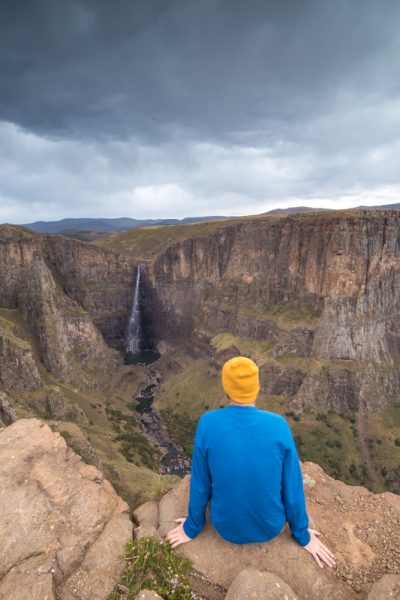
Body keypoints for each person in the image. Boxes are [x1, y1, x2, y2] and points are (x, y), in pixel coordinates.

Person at [166, 356, 336, 569]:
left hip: (225, 527)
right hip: (271, 528)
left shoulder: (207, 423)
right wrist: (302, 534)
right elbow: (292, 487)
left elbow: (200, 483)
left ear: (225, 388)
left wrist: (191, 526)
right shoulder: (279, 425)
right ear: (258, 388)